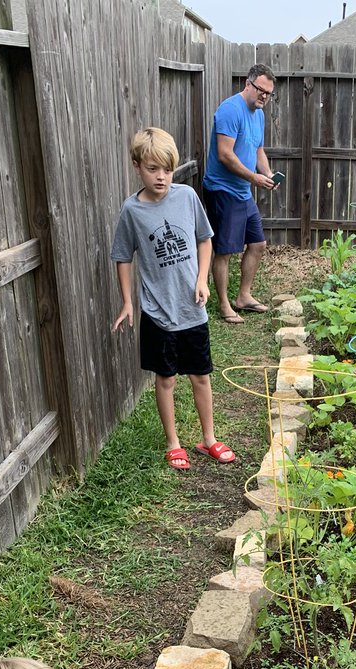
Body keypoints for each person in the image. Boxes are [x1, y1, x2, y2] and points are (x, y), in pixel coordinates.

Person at [112, 127, 235, 468]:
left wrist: (202, 280)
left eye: (167, 169)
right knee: (165, 379)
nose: (161, 177)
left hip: (192, 309)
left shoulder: (186, 197)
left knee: (200, 375)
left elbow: (205, 239)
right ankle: (173, 442)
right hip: (157, 311)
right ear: (137, 166)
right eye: (153, 169)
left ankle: (208, 438)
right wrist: (127, 302)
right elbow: (123, 256)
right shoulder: (131, 211)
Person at [203, 65, 277, 325]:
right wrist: (253, 178)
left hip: (243, 191)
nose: (264, 96)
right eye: (261, 90)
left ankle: (243, 296)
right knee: (225, 250)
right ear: (248, 84)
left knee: (257, 244)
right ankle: (224, 304)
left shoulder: (258, 114)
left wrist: (266, 173)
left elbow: (258, 150)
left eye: (269, 93)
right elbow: (225, 155)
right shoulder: (230, 110)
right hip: (222, 190)